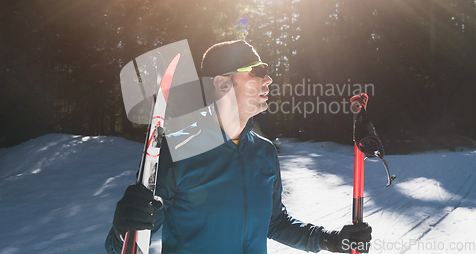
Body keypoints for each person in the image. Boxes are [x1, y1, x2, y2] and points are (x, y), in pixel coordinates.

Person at [106, 40, 372, 254]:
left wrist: (331, 240)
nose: (268, 80)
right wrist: (121, 231)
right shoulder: (178, 151)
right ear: (222, 83)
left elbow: (274, 222)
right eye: (257, 71)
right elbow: (132, 240)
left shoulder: (265, 153)